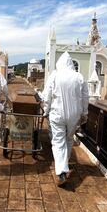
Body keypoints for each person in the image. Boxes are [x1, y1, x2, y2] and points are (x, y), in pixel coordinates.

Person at [42, 51, 89, 186]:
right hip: (75, 114)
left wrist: (46, 111)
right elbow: (85, 97)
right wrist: (84, 113)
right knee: (69, 139)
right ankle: (64, 164)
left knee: (58, 141)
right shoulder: (79, 77)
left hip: (57, 113)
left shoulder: (55, 76)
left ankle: (62, 171)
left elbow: (48, 97)